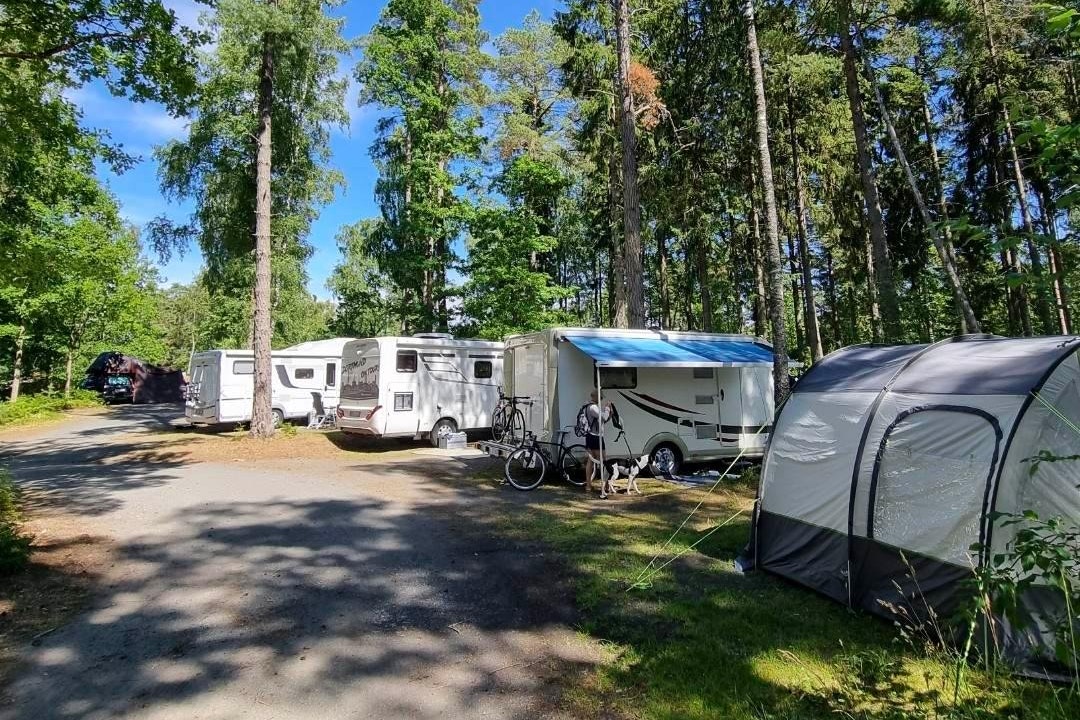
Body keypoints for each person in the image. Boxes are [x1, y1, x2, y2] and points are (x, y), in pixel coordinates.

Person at [584, 389, 611, 495]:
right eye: (600, 398)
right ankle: (605, 486)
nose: (601, 399)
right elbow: (604, 416)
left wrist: (608, 413)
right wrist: (607, 408)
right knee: (603, 461)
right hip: (596, 437)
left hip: (590, 436)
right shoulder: (593, 407)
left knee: (590, 461)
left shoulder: (589, 406)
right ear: (595, 397)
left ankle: (588, 485)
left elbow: (603, 420)